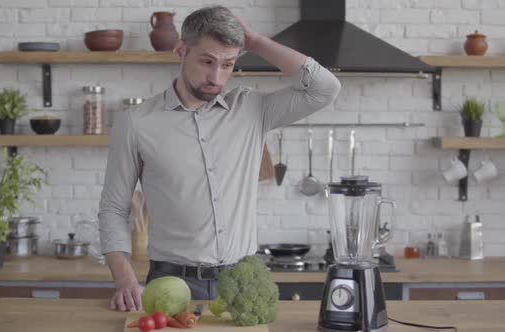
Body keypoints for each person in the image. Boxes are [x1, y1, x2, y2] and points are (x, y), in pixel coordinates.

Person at [98, 6, 341, 312]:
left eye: (228, 64)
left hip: (245, 280)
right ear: (180, 51)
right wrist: (124, 279)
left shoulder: (252, 110)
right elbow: (113, 209)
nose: (216, 77)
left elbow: (325, 88)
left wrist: (254, 42)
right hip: (173, 283)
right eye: (207, 61)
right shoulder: (136, 123)